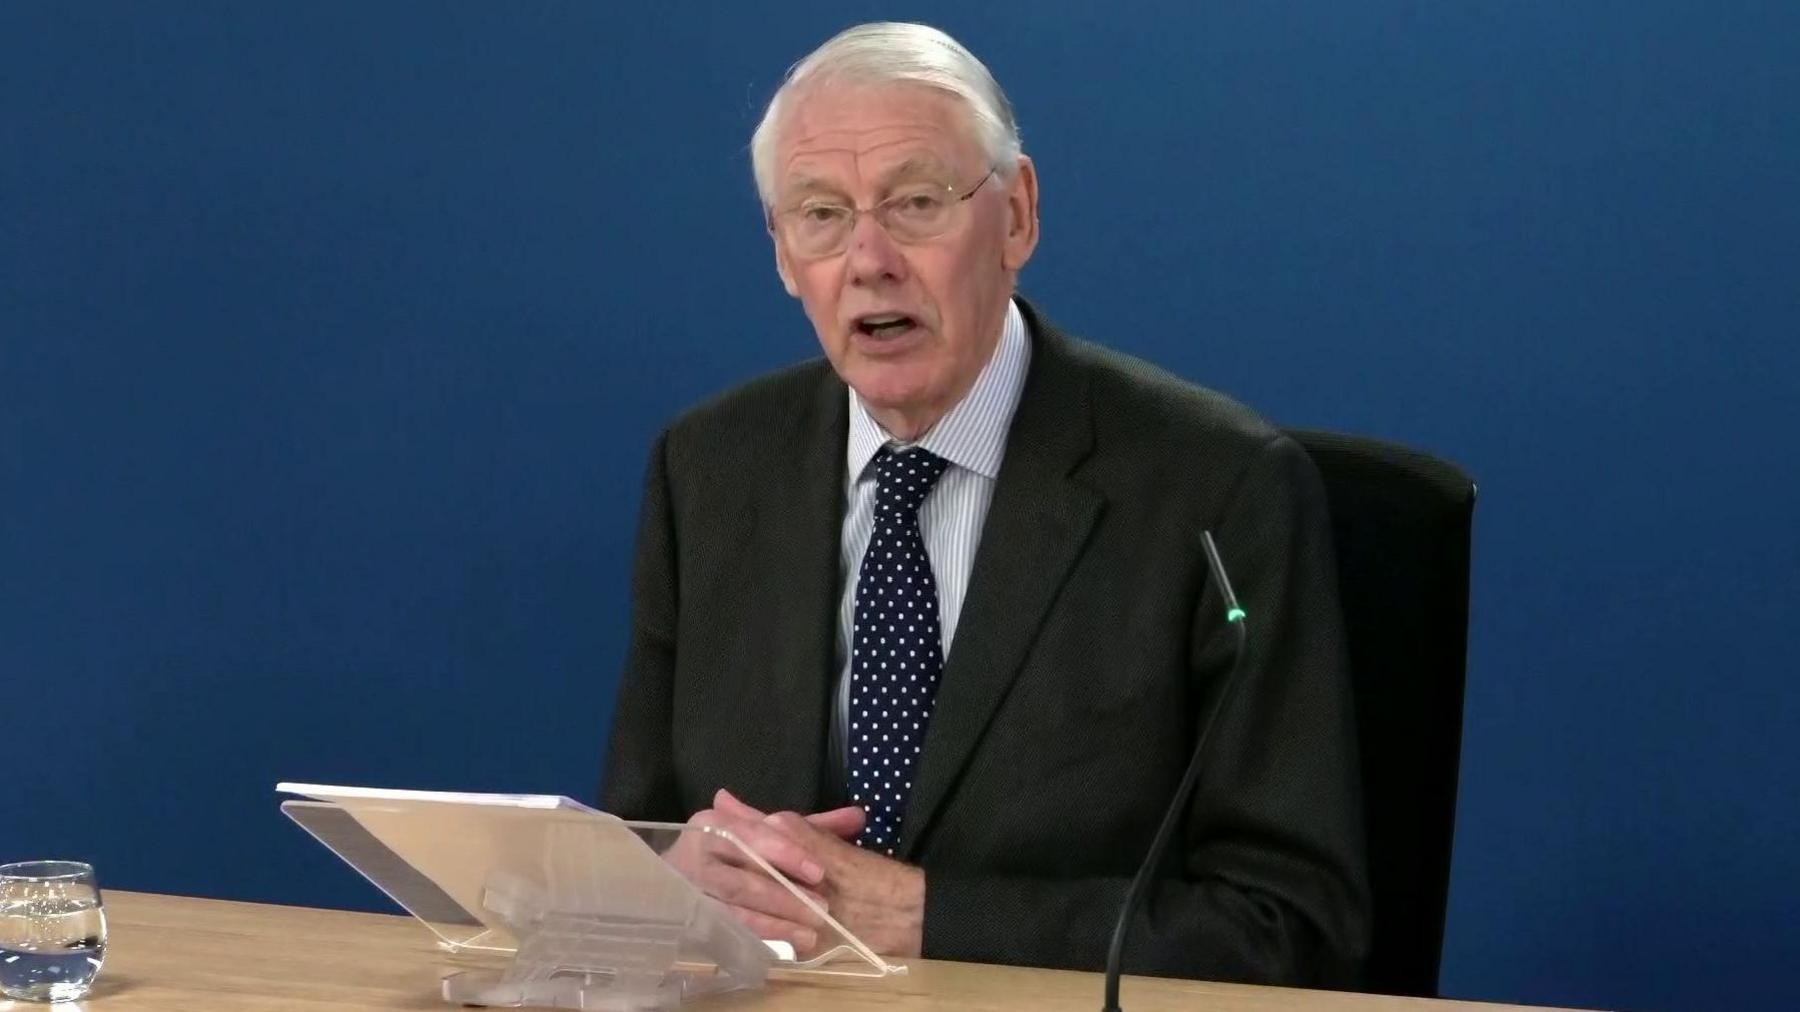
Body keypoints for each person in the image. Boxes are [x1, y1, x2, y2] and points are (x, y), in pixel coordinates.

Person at [602, 21, 1370, 987]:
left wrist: (928, 913)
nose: (869, 258)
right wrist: (672, 879)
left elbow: (1292, 927)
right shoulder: (707, 470)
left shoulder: (1220, 492)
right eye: (821, 214)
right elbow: (636, 840)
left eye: (916, 202)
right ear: (784, 257)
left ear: (1018, 217)